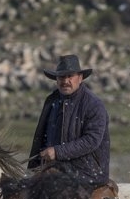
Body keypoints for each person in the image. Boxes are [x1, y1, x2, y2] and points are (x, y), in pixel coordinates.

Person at [28, 54, 111, 187]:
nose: (65, 81)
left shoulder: (94, 104)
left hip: (87, 173)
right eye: (61, 76)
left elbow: (92, 140)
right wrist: (35, 166)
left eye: (70, 76)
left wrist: (57, 152)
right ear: (56, 79)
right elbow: (41, 137)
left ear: (80, 78)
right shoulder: (52, 100)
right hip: (54, 171)